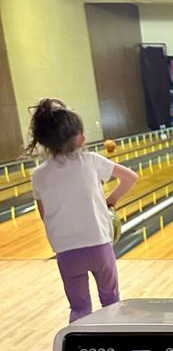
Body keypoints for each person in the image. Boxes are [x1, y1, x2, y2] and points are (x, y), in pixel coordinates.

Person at [27, 98, 138, 323]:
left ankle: (80, 350)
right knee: (110, 300)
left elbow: (44, 215)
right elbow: (130, 177)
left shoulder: (38, 175)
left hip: (66, 251)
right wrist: (110, 201)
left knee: (79, 308)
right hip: (98, 244)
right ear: (79, 138)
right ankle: (116, 343)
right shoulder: (91, 161)